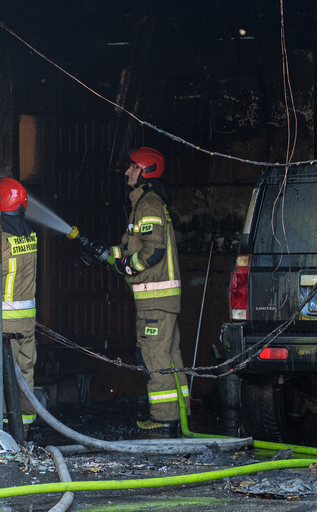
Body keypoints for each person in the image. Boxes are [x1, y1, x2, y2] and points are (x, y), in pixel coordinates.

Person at [107, 147, 190, 431]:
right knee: (169, 356)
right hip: (159, 300)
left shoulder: (149, 205)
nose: (127, 172)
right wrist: (107, 254)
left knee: (153, 357)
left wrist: (128, 267)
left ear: (146, 172)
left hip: (155, 299)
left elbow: (153, 251)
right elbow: (133, 246)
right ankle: (180, 415)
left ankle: (164, 420)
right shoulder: (142, 204)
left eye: (132, 167)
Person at [0, 177, 38, 427]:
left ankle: (5, 427)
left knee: (4, 376)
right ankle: (26, 428)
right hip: (27, 319)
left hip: (5, 320)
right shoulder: (29, 234)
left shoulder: (0, 238)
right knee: (25, 370)